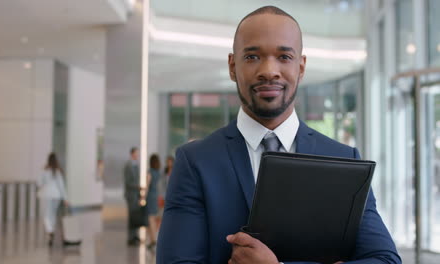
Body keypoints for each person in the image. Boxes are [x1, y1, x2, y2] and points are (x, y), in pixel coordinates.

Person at [157, 6, 401, 264]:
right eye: (252, 57)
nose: (269, 70)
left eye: (284, 57)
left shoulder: (343, 159)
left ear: (301, 66)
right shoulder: (195, 162)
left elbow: (385, 260)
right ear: (232, 66)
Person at [37, 152, 68, 247]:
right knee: (53, 214)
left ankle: (50, 231)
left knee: (46, 214)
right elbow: (61, 185)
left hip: (46, 195)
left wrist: (43, 186)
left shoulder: (44, 170)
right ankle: (52, 230)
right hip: (57, 196)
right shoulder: (58, 171)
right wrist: (65, 198)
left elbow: (39, 183)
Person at [124, 147, 142, 246]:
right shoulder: (128, 166)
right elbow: (128, 182)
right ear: (132, 154)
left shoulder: (136, 165)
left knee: (136, 215)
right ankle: (130, 237)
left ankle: (135, 235)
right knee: (132, 216)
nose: (137, 155)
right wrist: (137, 187)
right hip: (130, 194)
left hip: (136, 194)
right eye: (136, 153)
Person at [146, 154, 161, 250]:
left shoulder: (150, 171)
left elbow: (147, 185)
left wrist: (143, 196)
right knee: (155, 218)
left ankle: (153, 240)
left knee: (150, 218)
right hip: (156, 196)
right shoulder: (158, 172)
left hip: (150, 196)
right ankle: (153, 240)